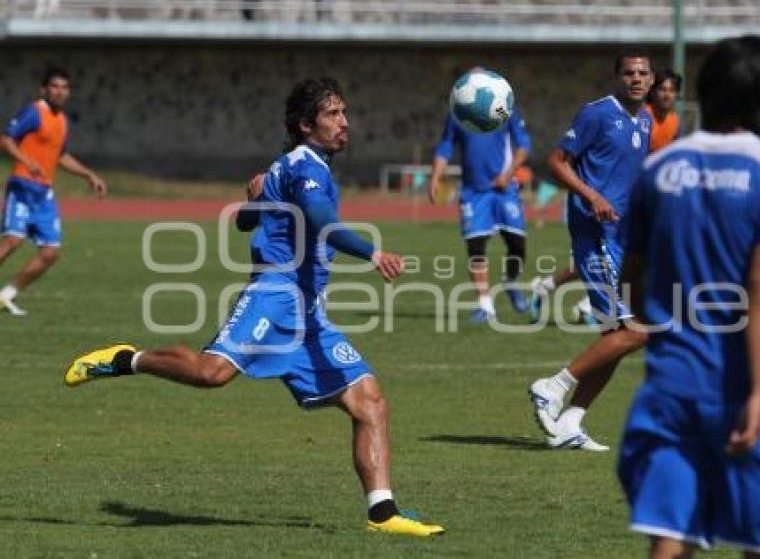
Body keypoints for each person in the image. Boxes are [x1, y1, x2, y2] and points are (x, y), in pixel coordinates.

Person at [63, 78, 445, 538]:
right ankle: (128, 360)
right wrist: (372, 253)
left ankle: (383, 514)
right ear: (307, 125)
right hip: (276, 295)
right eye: (333, 115)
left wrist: (258, 199)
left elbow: (247, 220)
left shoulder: (299, 165)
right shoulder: (305, 167)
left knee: (369, 401)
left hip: (307, 313)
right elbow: (323, 223)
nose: (345, 123)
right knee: (211, 374)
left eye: (345, 113)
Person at [618, 35, 760, 556]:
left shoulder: (658, 170)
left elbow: (631, 271)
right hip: (743, 387)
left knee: (672, 533)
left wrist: (655, 323)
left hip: (671, 384)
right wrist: (757, 394)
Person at [527, 48, 653, 450]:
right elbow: (556, 161)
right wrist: (591, 196)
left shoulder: (646, 120)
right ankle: (552, 386)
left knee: (614, 338)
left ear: (650, 79)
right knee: (634, 332)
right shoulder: (597, 113)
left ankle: (570, 423)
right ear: (619, 77)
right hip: (595, 234)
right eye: (630, 73)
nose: (636, 78)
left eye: (643, 73)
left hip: (624, 239)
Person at [0, 66, 107, 316]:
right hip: (22, 187)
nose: (60, 92)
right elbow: (6, 140)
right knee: (12, 240)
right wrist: (27, 162)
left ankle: (6, 295)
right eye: (55, 87)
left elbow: (60, 155)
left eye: (64, 88)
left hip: (44, 193)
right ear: (44, 89)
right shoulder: (34, 112)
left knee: (50, 252)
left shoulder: (61, 120)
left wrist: (89, 175)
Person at [429, 81, 532, 322]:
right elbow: (445, 147)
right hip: (473, 193)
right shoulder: (457, 115)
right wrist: (435, 177)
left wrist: (507, 175)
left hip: (505, 189)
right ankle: (485, 306)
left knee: (517, 244)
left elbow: (524, 146)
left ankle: (510, 281)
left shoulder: (504, 112)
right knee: (476, 246)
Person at [646, 68, 682, 153]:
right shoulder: (642, 117)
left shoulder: (674, 120)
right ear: (652, 92)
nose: (667, 95)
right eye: (662, 89)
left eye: (671, 90)